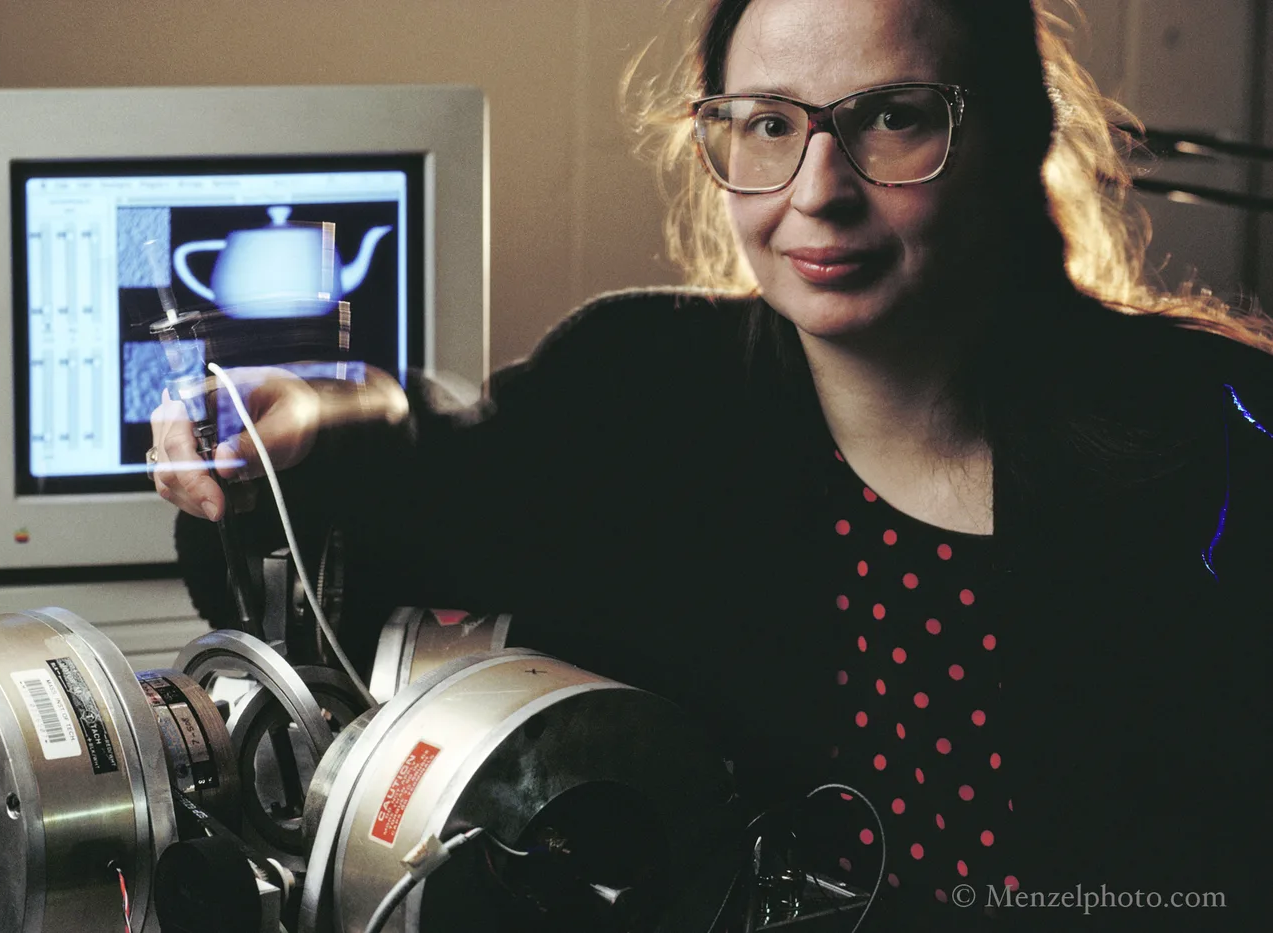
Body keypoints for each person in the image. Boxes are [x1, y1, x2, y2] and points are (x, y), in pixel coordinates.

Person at [151, 1, 1273, 929]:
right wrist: (289, 439)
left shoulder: (1218, 441)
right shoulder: (640, 389)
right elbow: (404, 503)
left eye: (890, 119)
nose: (816, 189)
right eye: (766, 124)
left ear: (1016, 134)